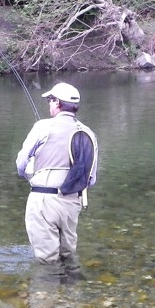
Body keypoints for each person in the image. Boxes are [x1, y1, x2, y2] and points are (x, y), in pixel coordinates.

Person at [15, 82, 99, 280]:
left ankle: (48, 304)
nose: (49, 105)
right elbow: (91, 178)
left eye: (50, 100)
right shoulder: (89, 133)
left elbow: (20, 163)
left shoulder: (42, 126)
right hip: (73, 202)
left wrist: (30, 174)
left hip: (43, 200)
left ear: (57, 103)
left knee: (47, 260)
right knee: (68, 254)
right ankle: (72, 296)